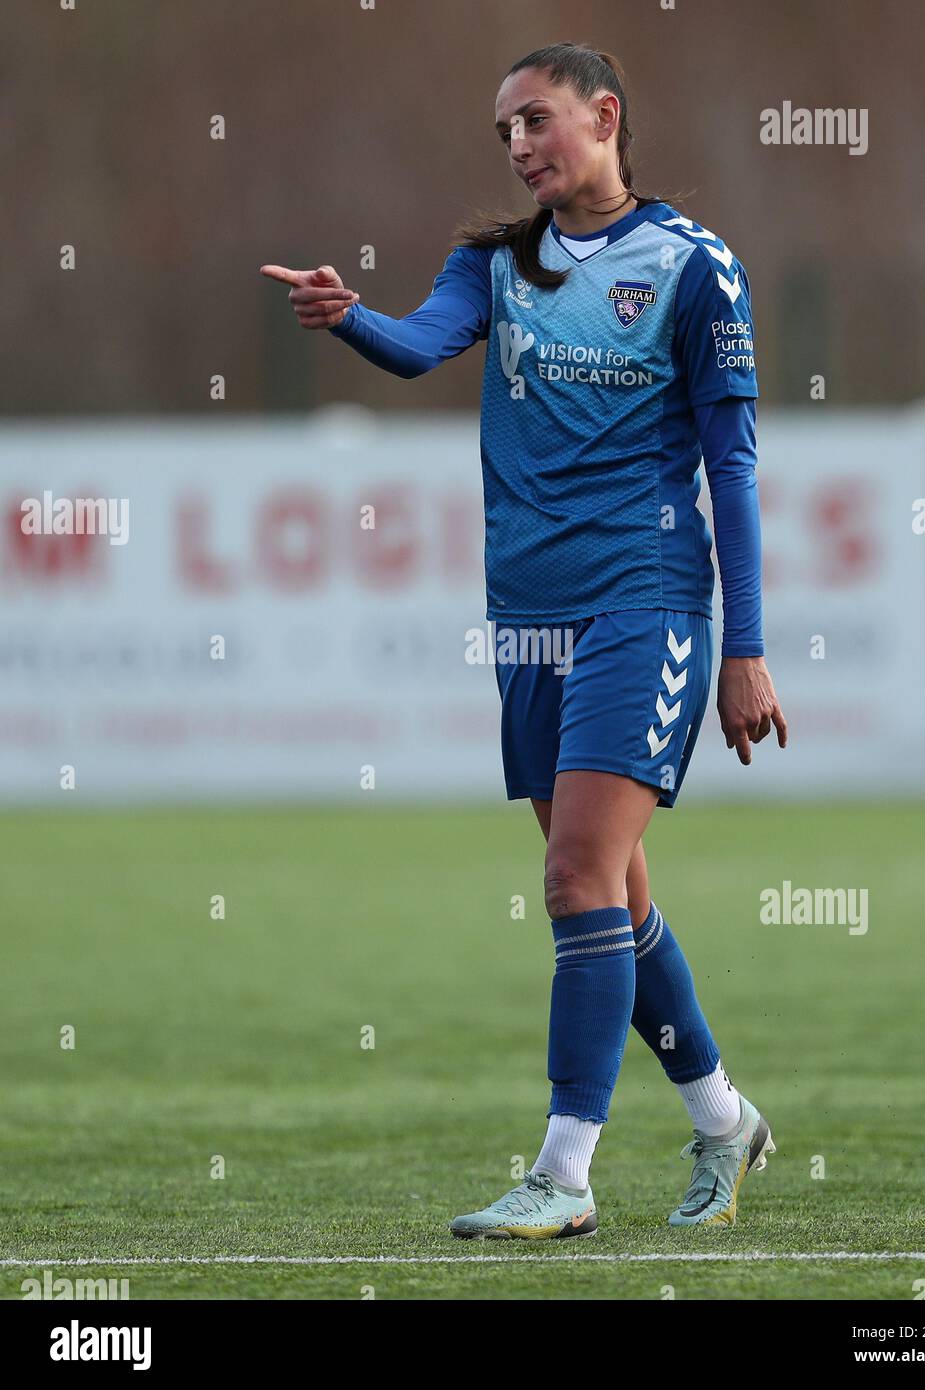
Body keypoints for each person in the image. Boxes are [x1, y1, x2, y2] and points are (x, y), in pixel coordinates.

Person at [261, 41, 786, 1239]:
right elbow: (418, 342)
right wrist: (350, 319)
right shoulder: (496, 263)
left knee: (569, 881)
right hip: (528, 616)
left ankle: (562, 1172)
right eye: (503, 130)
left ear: (604, 117)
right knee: (613, 894)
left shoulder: (695, 267)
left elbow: (733, 467)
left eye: (535, 120)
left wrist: (743, 646)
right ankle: (722, 1118)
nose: (516, 145)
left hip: (644, 598)